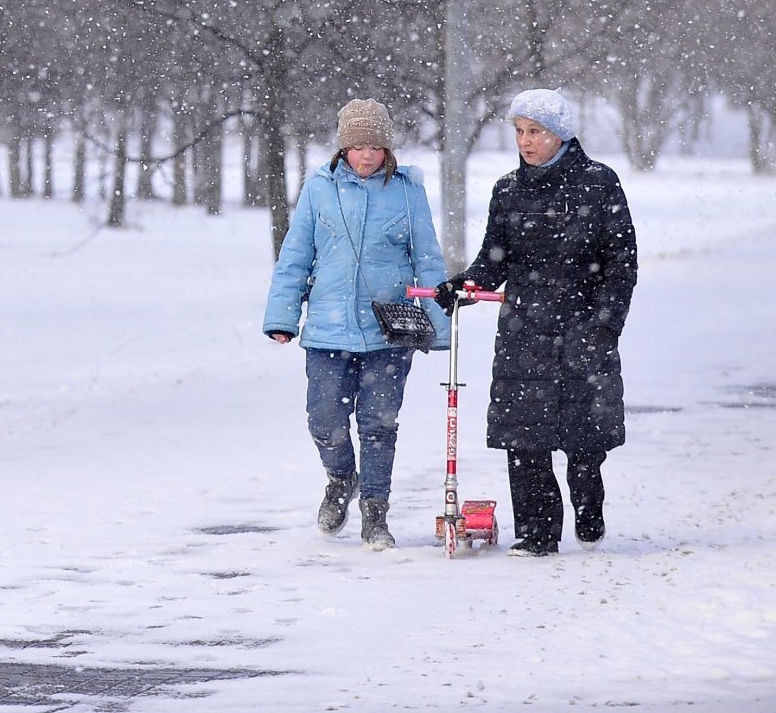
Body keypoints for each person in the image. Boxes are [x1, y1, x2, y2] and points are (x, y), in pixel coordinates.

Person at [435, 88, 638, 557]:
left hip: (584, 330)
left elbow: (621, 263)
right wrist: (463, 285)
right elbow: (493, 258)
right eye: (520, 131)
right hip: (525, 331)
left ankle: (589, 504)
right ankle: (536, 535)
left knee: (584, 441)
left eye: (536, 132)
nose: (526, 141)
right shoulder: (508, 189)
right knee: (525, 438)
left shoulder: (598, 183)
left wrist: (605, 326)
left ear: (561, 134)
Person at [264, 98, 449, 549]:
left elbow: (427, 258)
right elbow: (295, 257)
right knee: (324, 421)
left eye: (376, 147)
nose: (367, 155)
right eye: (358, 146)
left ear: (388, 150)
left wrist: (440, 326)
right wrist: (283, 316)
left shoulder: (408, 191)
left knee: (379, 425)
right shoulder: (319, 189)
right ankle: (341, 478)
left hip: (389, 331)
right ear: (343, 148)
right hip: (328, 328)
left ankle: (375, 515)